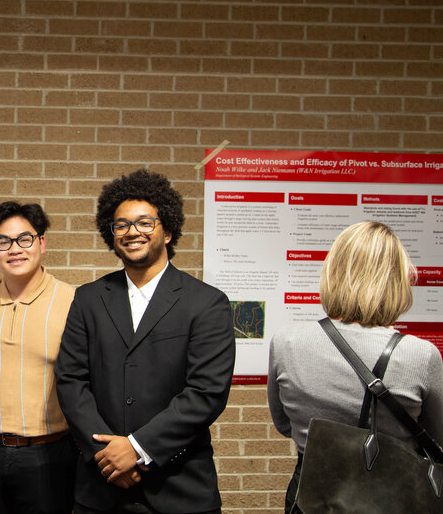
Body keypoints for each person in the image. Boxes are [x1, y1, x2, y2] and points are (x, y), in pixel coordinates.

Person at [55, 169, 235, 514]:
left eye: (144, 223)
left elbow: (207, 392)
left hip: (179, 489)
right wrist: (108, 455)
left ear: (167, 230)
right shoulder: (89, 299)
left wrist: (136, 449)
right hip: (101, 487)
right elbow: (71, 380)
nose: (131, 232)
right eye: (121, 225)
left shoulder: (207, 303)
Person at [268, 221, 443, 512]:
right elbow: (437, 436)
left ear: (332, 273)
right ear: (397, 281)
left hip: (312, 497)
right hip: (393, 498)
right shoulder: (420, 355)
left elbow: (284, 424)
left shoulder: (287, 341)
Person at [0, 201, 77, 514]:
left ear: (41, 243)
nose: (15, 249)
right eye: (3, 242)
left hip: (47, 454)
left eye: (25, 239)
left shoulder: (73, 302)